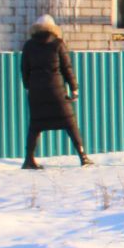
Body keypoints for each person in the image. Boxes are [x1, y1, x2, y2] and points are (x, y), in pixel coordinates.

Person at [20, 14, 91, 169]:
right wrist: (74, 88)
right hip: (56, 91)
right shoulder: (58, 44)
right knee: (70, 123)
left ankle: (28, 159)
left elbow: (24, 70)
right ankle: (83, 156)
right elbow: (67, 68)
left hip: (36, 93)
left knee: (35, 125)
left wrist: (28, 86)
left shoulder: (29, 45)